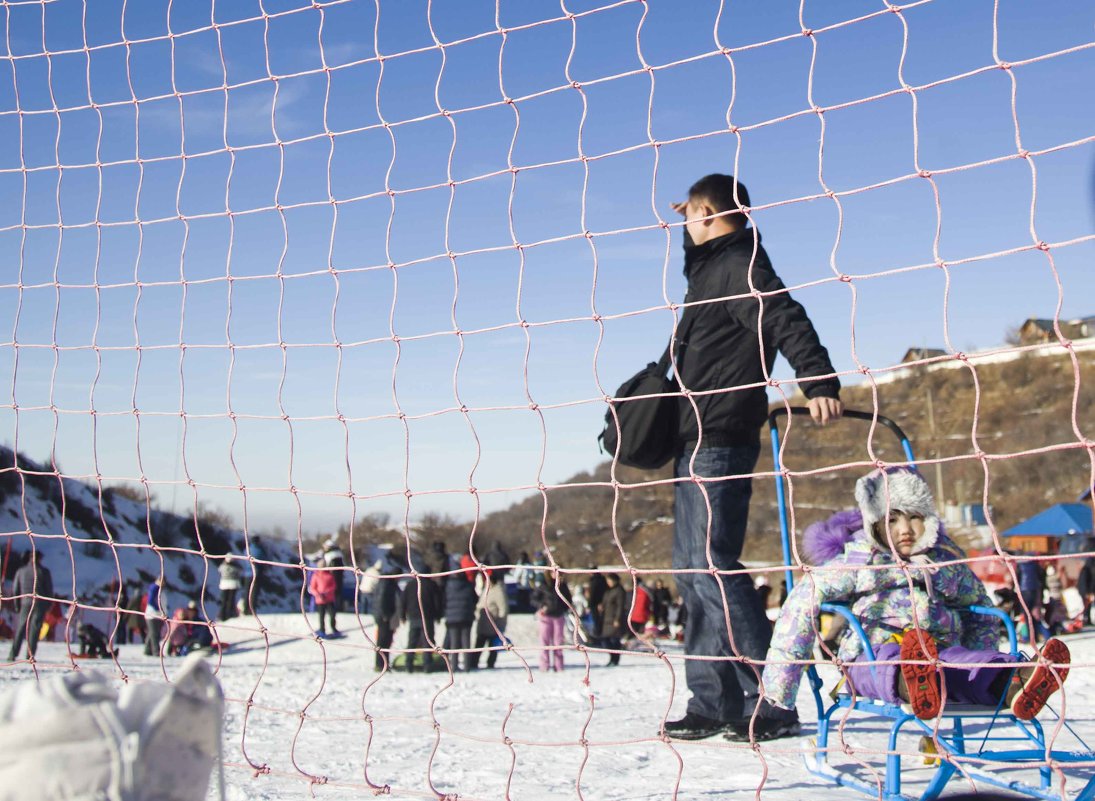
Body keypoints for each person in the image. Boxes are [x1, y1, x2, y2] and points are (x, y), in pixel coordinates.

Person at [662, 174, 843, 739]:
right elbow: (700, 251)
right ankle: (713, 700)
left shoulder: (741, 265)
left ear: (709, 213)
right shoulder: (713, 265)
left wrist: (818, 381)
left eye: (689, 216)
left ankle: (773, 697)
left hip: (722, 435)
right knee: (692, 571)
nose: (683, 227)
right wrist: (691, 222)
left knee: (713, 566)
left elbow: (786, 315)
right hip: (694, 434)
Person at [731, 467, 1071, 743]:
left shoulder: (943, 564)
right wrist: (780, 682)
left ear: (929, 519)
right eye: (892, 520)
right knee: (889, 663)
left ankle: (1013, 680)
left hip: (938, 650)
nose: (905, 529)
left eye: (914, 518)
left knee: (964, 664)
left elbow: (980, 606)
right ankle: (913, 683)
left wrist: (982, 652)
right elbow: (802, 603)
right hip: (870, 653)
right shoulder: (861, 560)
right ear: (876, 524)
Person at [8, 551, 54, 661]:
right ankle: (30, 655)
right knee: (34, 629)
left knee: (20, 628)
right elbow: (49, 590)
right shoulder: (43, 571)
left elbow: (15, 590)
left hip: (24, 603)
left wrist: (17, 605)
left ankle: (12, 654)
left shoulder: (21, 571)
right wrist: (48, 606)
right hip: (39, 603)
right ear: (39, 559)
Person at [399, 570, 442, 673]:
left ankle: (408, 664)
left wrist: (403, 616)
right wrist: (438, 615)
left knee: (412, 642)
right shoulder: (432, 585)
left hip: (413, 616)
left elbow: (403, 601)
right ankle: (427, 665)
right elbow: (437, 601)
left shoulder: (410, 584)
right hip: (427, 617)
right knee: (428, 642)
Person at [443, 553, 479, 671]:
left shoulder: (447, 586)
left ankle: (454, 666)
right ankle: (467, 666)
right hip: (466, 617)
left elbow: (443, 600)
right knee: (466, 643)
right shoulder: (468, 586)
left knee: (454, 644)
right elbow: (475, 599)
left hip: (452, 618)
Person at [369, 552, 404, 671]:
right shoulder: (386, 583)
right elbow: (381, 599)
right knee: (382, 641)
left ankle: (384, 663)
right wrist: (384, 614)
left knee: (387, 641)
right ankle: (380, 664)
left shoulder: (391, 583)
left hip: (387, 616)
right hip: (384, 617)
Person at [532, 572, 573, 672]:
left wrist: (564, 608)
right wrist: (542, 607)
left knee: (558, 642)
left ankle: (559, 666)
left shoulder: (562, 586)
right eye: (554, 572)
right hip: (545, 617)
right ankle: (544, 666)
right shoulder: (544, 585)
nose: (556, 575)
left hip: (558, 616)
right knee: (544, 642)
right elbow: (534, 599)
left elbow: (568, 600)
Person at [468, 571, 508, 670]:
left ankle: (490, 664)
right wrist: (478, 615)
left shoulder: (498, 591)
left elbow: (503, 609)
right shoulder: (485, 590)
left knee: (492, 647)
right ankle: (473, 663)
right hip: (482, 623)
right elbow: (479, 605)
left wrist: (500, 624)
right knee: (478, 645)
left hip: (493, 625)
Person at [598, 573, 627, 667]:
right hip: (607, 618)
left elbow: (620, 606)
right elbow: (606, 601)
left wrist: (617, 619)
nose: (608, 583)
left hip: (614, 619)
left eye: (610, 581)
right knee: (605, 639)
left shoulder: (619, 591)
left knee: (614, 640)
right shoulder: (609, 591)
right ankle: (612, 658)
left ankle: (615, 659)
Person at [309, 564, 339, 637]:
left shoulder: (330, 575)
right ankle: (322, 630)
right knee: (322, 616)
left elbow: (334, 586)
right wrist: (318, 594)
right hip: (320, 600)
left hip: (330, 599)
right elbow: (312, 588)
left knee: (332, 614)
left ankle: (333, 628)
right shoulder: (316, 575)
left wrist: (327, 592)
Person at [143, 577, 166, 657]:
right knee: (154, 634)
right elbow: (151, 601)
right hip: (153, 614)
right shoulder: (155, 588)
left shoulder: (158, 589)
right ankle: (156, 651)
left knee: (151, 633)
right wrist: (159, 610)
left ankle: (147, 650)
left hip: (156, 615)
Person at [323, 539, 347, 612]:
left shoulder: (329, 555)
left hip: (331, 577)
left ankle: (332, 608)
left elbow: (327, 566)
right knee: (338, 592)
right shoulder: (339, 554)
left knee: (332, 593)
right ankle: (339, 607)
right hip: (339, 577)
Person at [218, 554, 241, 621]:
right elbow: (240, 570)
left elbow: (219, 570)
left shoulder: (222, 566)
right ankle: (229, 615)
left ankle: (222, 615)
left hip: (224, 585)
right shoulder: (235, 567)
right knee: (231, 601)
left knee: (224, 601)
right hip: (233, 584)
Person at [1078, 555, 1095, 627]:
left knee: (1088, 606)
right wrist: (1087, 593)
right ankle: (1086, 620)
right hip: (1085, 592)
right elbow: (1084, 583)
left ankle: (1088, 620)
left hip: (1086, 591)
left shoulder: (1087, 570)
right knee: (1086, 606)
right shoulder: (1086, 571)